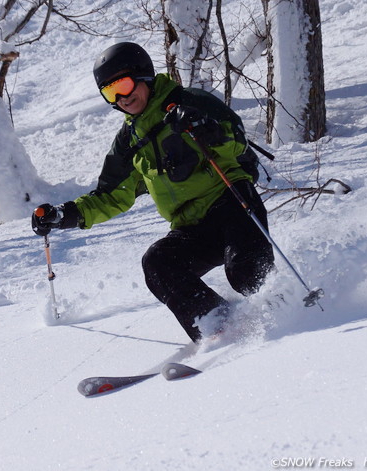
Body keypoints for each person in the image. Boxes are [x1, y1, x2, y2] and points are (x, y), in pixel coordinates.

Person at [32, 42, 274, 342]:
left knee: (246, 275)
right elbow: (110, 195)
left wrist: (205, 128)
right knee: (158, 263)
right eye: (110, 92)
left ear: (143, 75)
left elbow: (236, 139)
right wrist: (63, 216)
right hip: (191, 228)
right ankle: (221, 325)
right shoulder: (129, 142)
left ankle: (288, 307)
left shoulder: (189, 102)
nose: (121, 97)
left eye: (123, 84)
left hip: (232, 205)